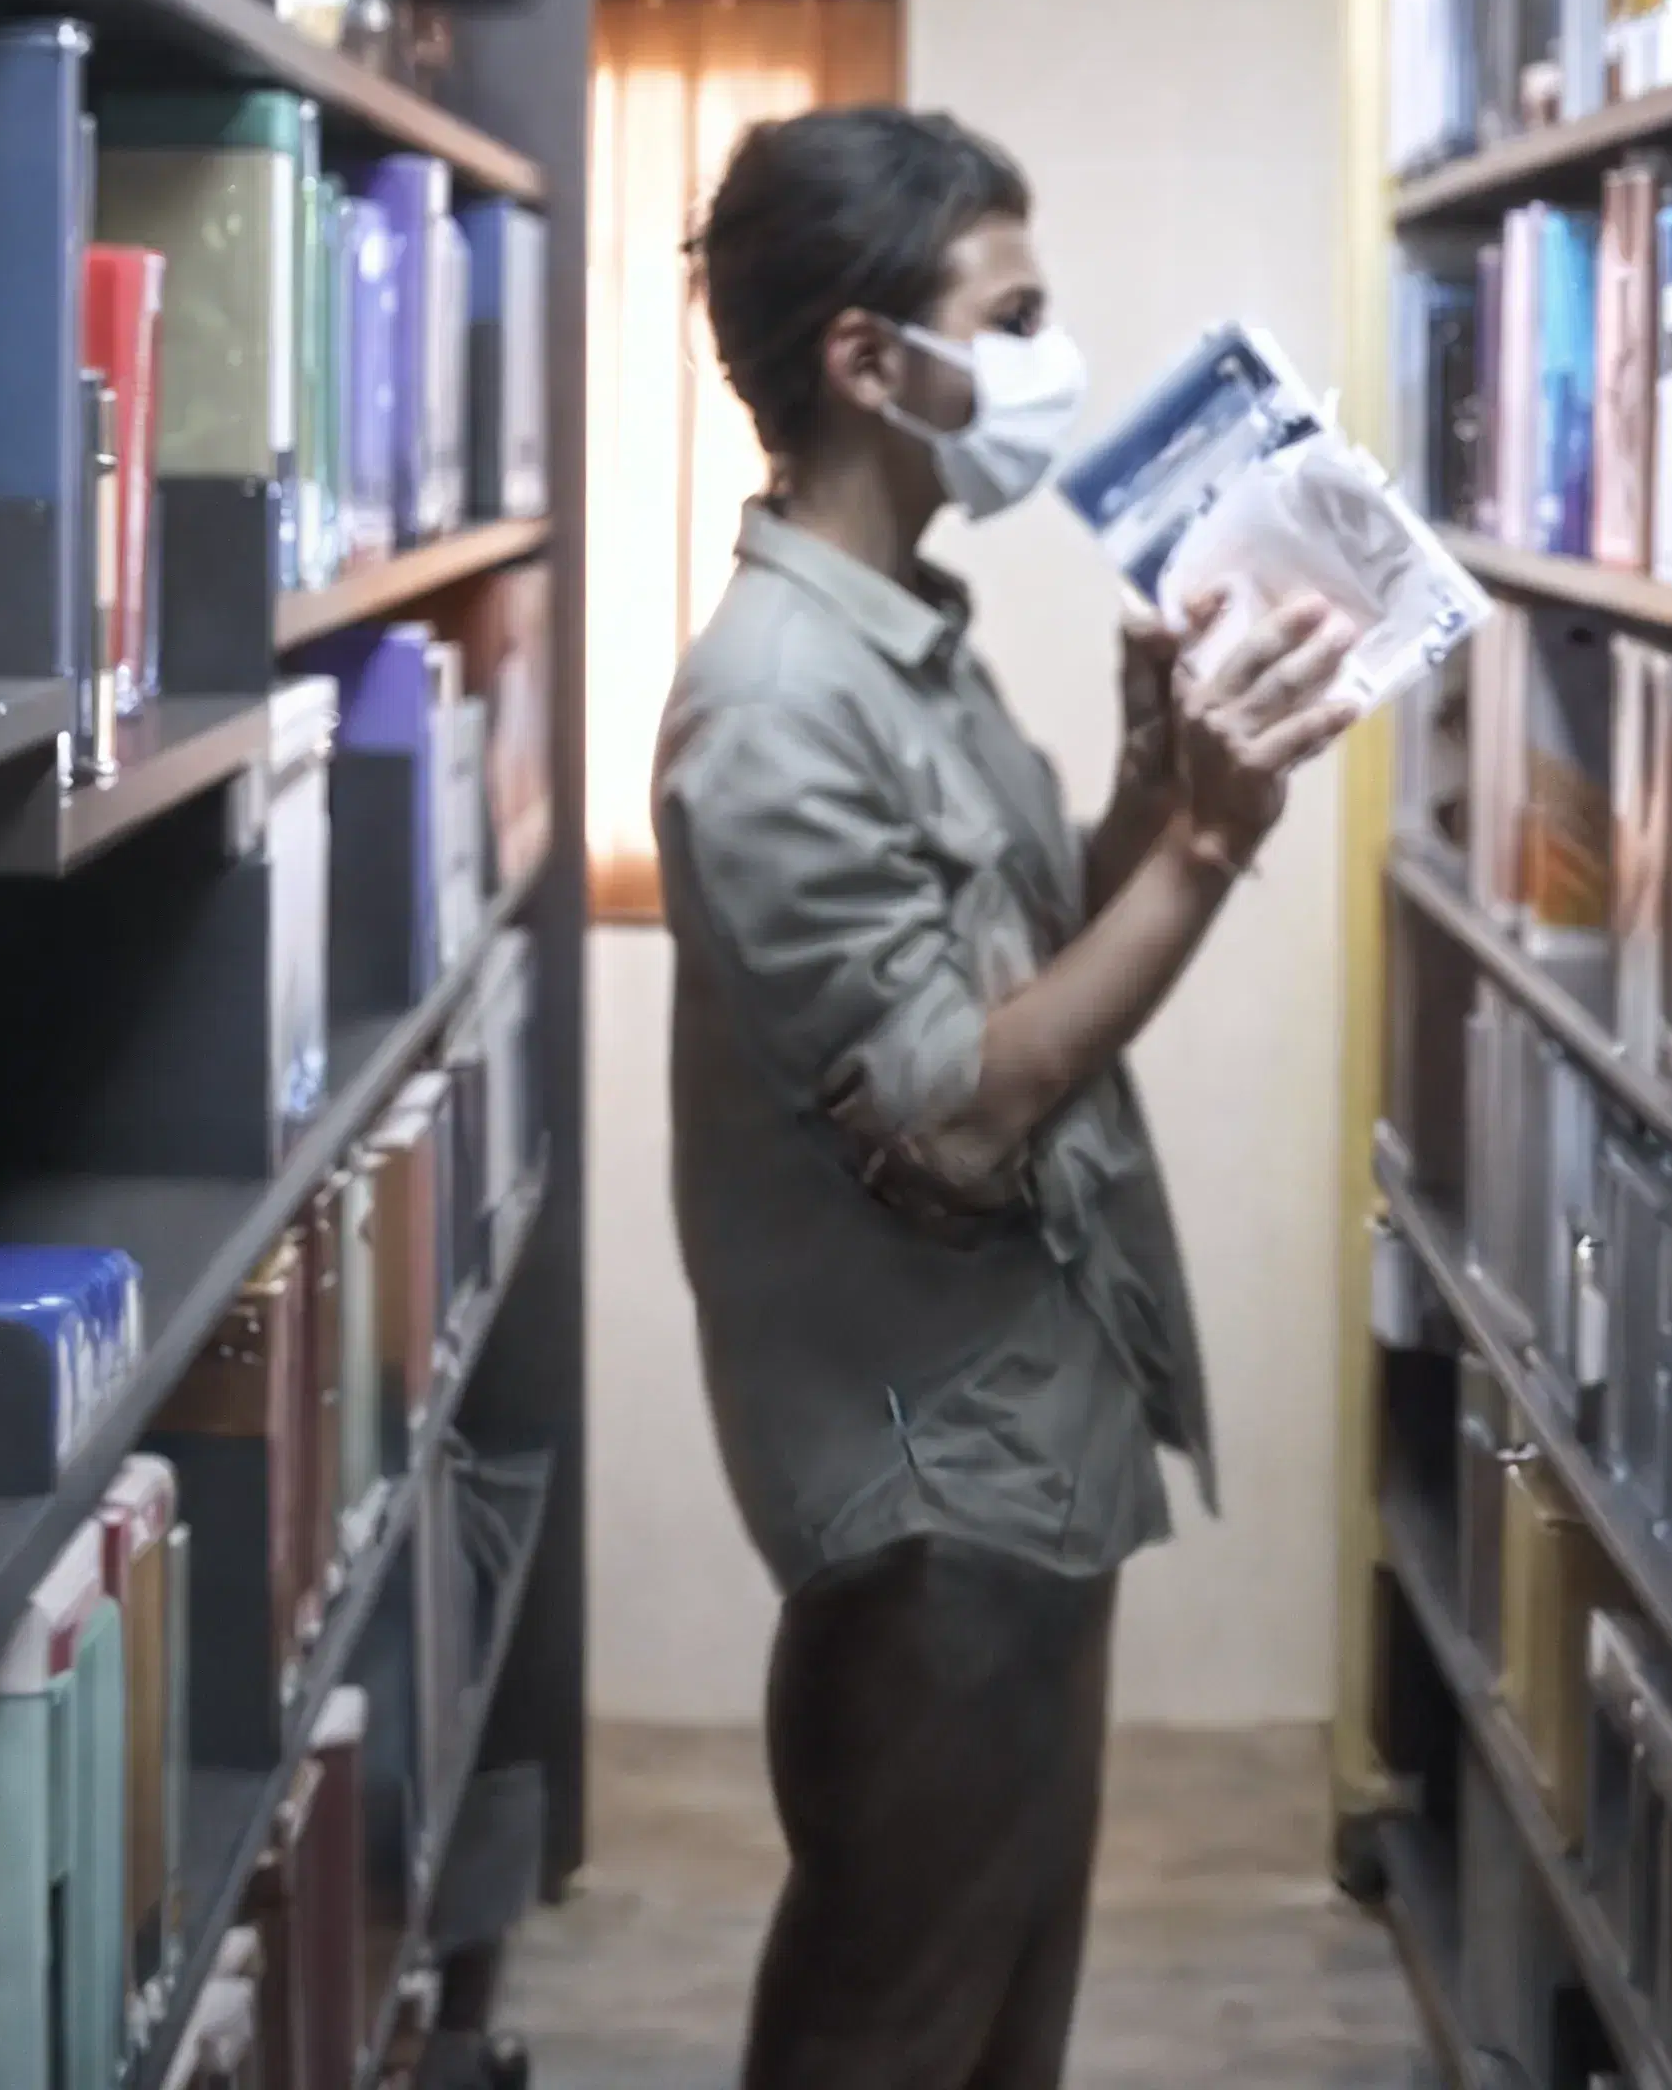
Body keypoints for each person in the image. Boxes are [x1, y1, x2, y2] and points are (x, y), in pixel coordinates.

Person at [651, 106, 1360, 2090]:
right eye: (1014, 315)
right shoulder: (774, 706)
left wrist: (1144, 800)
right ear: (868, 362)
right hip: (928, 1482)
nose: (1052, 362)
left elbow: (1011, 956)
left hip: (1022, 1443)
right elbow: (953, 1114)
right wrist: (1205, 860)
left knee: (992, 2021)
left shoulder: (906, 652)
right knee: (899, 2016)